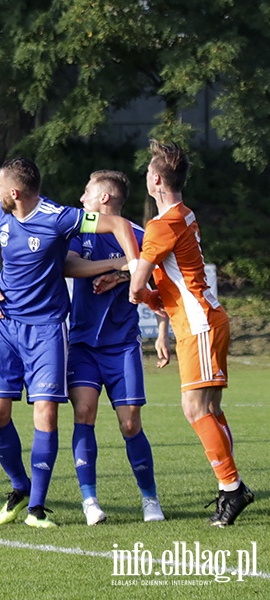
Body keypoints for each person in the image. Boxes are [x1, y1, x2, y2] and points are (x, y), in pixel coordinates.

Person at [0, 158, 140, 528]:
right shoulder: (1, 214)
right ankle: (19, 486)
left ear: (15, 192)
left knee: (46, 413)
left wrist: (132, 265)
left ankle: (36, 507)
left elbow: (119, 223)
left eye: (0, 185)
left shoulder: (60, 217)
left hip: (46, 329)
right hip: (3, 325)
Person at [130, 140, 254, 527]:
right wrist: (157, 304)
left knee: (194, 409)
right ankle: (230, 488)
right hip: (207, 318)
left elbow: (137, 287)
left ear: (155, 179)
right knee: (210, 410)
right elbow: (166, 281)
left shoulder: (160, 225)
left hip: (198, 324)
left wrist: (137, 289)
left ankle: (232, 489)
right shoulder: (184, 214)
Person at [65, 170, 167, 525]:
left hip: (122, 344)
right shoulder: (81, 231)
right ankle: (90, 501)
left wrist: (126, 275)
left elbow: (157, 280)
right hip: (83, 345)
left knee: (130, 424)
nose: (82, 199)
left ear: (104, 199)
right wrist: (116, 264)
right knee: (85, 414)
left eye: (87, 192)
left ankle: (150, 499)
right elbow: (69, 265)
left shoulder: (140, 237)